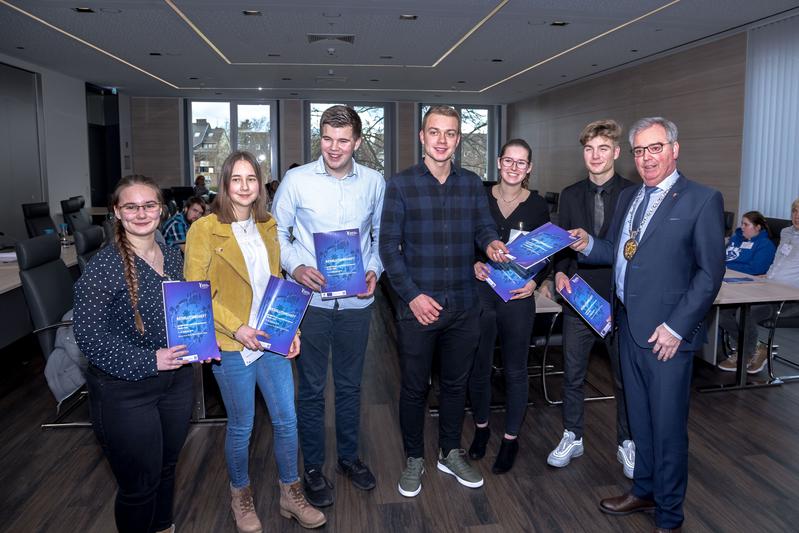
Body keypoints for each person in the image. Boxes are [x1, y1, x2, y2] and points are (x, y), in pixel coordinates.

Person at [568, 117, 725, 532]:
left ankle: (670, 516)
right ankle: (643, 491)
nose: (647, 158)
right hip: (627, 329)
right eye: (640, 150)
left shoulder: (701, 200)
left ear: (675, 149)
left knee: (668, 429)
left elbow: (710, 275)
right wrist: (588, 244)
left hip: (666, 339)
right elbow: (620, 252)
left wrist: (676, 329)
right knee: (639, 421)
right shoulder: (631, 198)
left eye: (655, 148)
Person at [185, 151, 325, 531]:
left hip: (270, 338)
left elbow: (277, 282)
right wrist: (237, 328)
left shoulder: (267, 225)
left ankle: (290, 493)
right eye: (236, 179)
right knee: (242, 425)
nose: (245, 186)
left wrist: (291, 328)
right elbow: (195, 293)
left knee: (286, 419)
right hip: (232, 344)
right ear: (225, 184)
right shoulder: (204, 229)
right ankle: (240, 496)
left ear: (260, 186)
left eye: (252, 179)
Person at [379, 105, 509, 498]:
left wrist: (491, 243)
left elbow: (483, 227)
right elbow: (388, 249)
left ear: (458, 140)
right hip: (418, 307)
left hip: (464, 306)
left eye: (450, 133)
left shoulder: (471, 184)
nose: (441, 140)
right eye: (434, 132)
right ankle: (414, 457)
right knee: (415, 389)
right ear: (422, 136)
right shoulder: (400, 185)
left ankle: (449, 451)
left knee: (456, 385)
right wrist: (413, 296)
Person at [272, 105, 385, 508]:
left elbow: (380, 238)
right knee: (313, 390)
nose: (333, 148)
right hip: (312, 304)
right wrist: (296, 265)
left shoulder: (374, 182)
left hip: (357, 304)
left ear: (356, 142)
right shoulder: (296, 180)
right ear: (319, 138)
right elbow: (276, 234)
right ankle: (314, 468)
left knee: (352, 387)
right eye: (326, 138)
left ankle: (350, 459)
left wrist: (374, 270)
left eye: (342, 140)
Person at [73, 174, 194, 533]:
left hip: (176, 382)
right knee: (139, 486)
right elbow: (89, 337)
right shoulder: (102, 268)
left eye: (149, 205)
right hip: (125, 391)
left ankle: (164, 527)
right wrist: (149, 360)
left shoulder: (173, 256)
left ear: (161, 209)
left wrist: (200, 340)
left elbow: (182, 313)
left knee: (168, 467)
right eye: (131, 206)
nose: (141, 213)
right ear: (117, 212)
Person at [546, 120, 636, 478]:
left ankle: (627, 442)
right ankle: (573, 434)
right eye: (589, 149)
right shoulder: (569, 194)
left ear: (615, 152)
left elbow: (633, 251)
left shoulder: (634, 194)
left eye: (603, 149)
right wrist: (560, 272)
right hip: (579, 299)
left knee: (624, 379)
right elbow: (560, 247)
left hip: (620, 301)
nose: (595, 156)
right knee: (573, 375)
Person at [468, 139, 550, 474]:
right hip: (483, 292)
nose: (514, 167)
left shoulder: (538, 206)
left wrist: (535, 281)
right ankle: (482, 429)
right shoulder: (480, 198)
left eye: (522, 162)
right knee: (480, 367)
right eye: (508, 160)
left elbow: (549, 250)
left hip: (518, 295)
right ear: (498, 162)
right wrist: (471, 263)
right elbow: (468, 240)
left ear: (529, 168)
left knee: (516, 369)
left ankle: (511, 439)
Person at [718, 203, 797, 373]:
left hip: (788, 295)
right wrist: (769, 275)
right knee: (723, 314)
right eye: (795, 211)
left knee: (744, 314)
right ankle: (757, 347)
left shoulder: (765, 243)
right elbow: (779, 262)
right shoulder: (786, 232)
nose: (797, 215)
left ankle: (745, 354)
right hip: (769, 285)